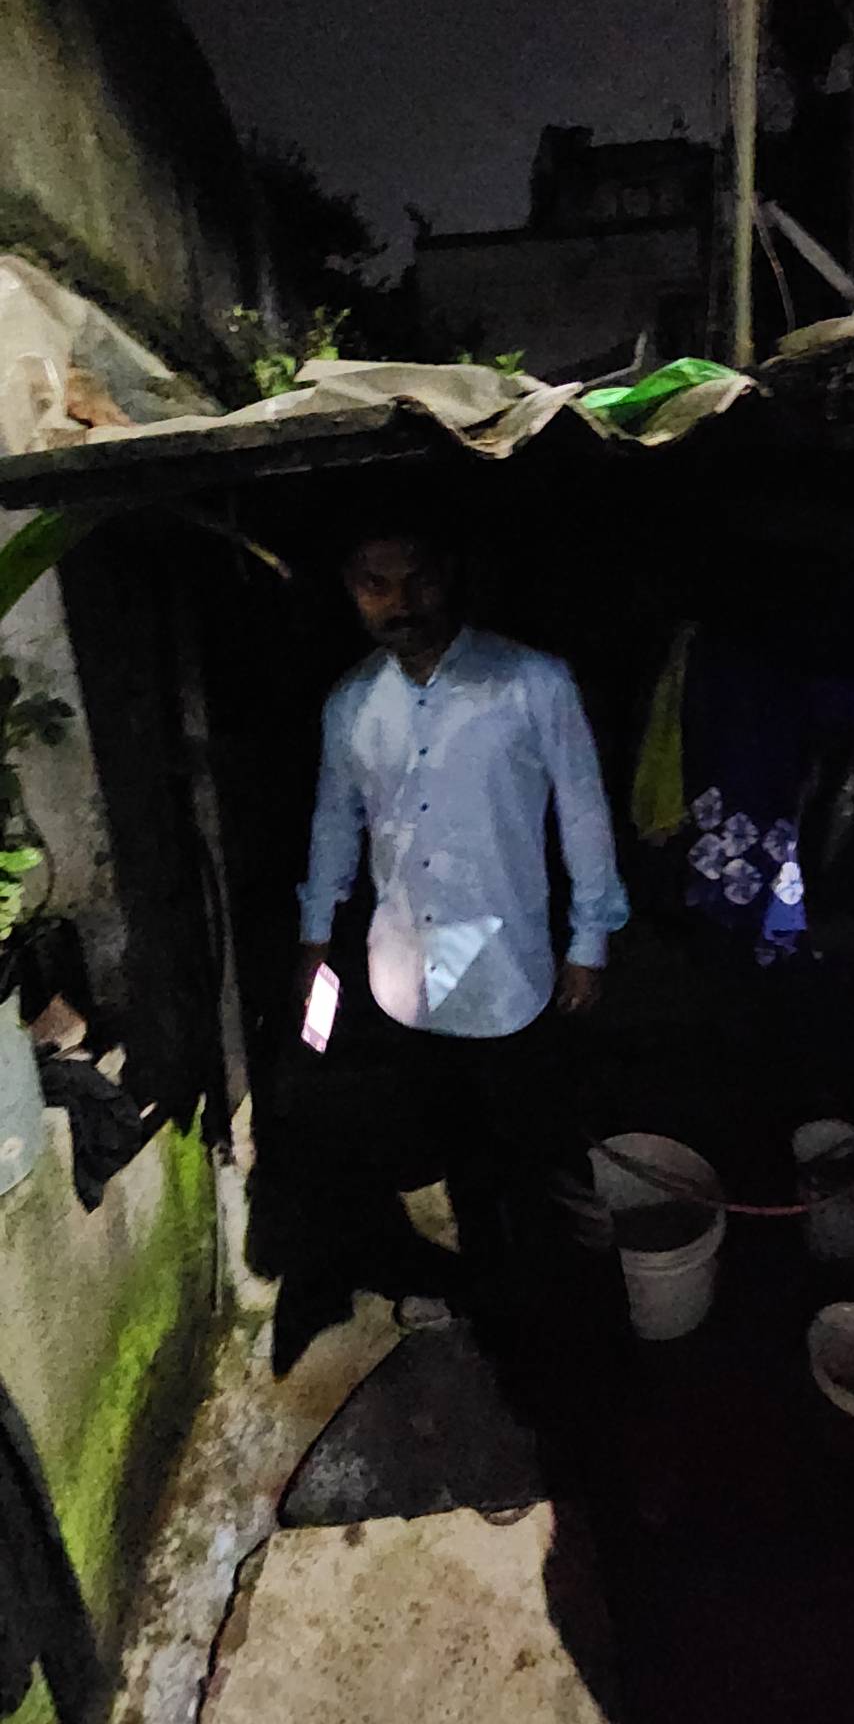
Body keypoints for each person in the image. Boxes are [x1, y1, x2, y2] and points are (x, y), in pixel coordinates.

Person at [274, 522, 630, 1376]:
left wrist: (590, 938)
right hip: (403, 972)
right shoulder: (351, 705)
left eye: (416, 579)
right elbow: (335, 822)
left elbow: (583, 811)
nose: (399, 603)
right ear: (350, 590)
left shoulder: (532, 682)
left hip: (510, 969)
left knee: (532, 1148)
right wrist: (315, 936)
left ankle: (565, 1311)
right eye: (374, 583)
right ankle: (491, 1294)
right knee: (453, 1145)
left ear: (448, 576)